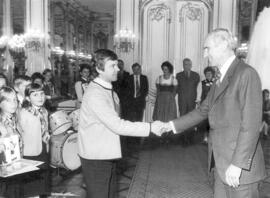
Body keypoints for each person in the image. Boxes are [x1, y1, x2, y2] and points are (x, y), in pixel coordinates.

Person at [165, 28, 266, 198]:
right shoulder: (221, 77)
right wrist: (170, 125)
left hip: (239, 169)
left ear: (224, 45)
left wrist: (237, 164)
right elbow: (202, 111)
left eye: (207, 48)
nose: (205, 54)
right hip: (221, 164)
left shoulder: (246, 74)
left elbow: (251, 125)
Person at [78, 49, 164, 198]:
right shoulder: (95, 94)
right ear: (99, 68)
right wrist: (150, 127)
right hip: (96, 158)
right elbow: (117, 125)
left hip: (105, 153)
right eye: (113, 66)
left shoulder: (107, 89)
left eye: (117, 65)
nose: (118, 69)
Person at [18, 83, 51, 196]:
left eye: (42, 94)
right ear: (28, 98)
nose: (40, 97)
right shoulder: (23, 113)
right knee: (32, 187)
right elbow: (20, 133)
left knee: (42, 184)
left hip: (43, 150)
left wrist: (47, 133)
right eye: (35, 95)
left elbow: (44, 128)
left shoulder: (44, 111)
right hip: (30, 153)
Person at [0, 86, 23, 197]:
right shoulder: (1, 124)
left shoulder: (14, 119)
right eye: (8, 100)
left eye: (15, 100)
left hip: (14, 167)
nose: (13, 103)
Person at [176, 58, 200, 145]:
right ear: (183, 65)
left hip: (192, 101)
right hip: (182, 101)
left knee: (191, 119)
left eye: (188, 64)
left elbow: (197, 88)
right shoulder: (178, 75)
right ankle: (182, 139)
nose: (187, 66)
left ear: (191, 65)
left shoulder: (196, 75)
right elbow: (176, 89)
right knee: (182, 119)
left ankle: (190, 139)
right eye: (185, 64)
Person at [152, 61, 177, 144]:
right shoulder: (159, 78)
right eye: (163, 69)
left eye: (166, 69)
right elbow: (158, 90)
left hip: (170, 101)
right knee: (160, 117)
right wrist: (159, 100)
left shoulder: (174, 79)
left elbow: (175, 91)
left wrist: (170, 98)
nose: (164, 70)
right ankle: (160, 137)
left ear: (169, 69)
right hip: (160, 101)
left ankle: (168, 137)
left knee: (169, 117)